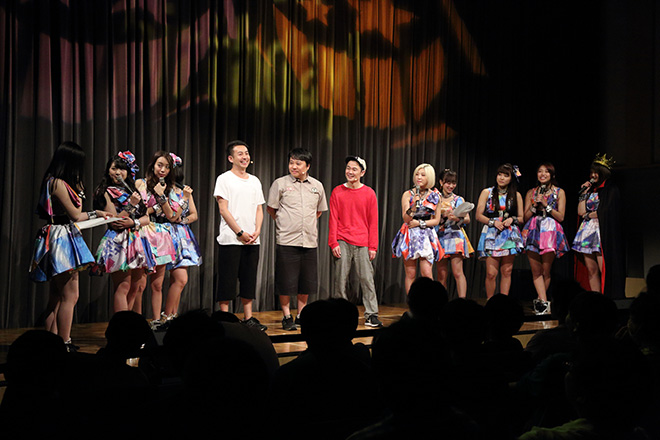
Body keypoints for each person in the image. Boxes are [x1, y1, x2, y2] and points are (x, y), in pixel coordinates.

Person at [29, 141, 111, 351]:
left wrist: (94, 211)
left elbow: (77, 214)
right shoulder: (57, 183)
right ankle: (64, 342)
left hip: (60, 234)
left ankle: (53, 343)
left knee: (56, 297)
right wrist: (84, 198)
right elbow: (76, 214)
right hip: (61, 237)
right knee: (70, 295)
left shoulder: (54, 181)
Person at [267, 148, 328, 331]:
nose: (293, 166)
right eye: (291, 162)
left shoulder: (317, 186)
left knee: (306, 282)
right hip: (287, 240)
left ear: (307, 166)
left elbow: (318, 211)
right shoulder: (280, 183)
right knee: (286, 282)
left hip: (309, 240)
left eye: (298, 163)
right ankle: (287, 316)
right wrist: (285, 222)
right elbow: (271, 209)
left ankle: (301, 315)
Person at [214, 140, 267, 331]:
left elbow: (259, 209)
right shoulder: (224, 179)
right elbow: (223, 209)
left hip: (252, 239)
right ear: (231, 158)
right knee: (227, 280)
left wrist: (257, 230)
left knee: (248, 280)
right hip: (231, 239)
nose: (245, 157)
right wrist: (239, 232)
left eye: (246, 153)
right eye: (240, 154)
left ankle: (248, 317)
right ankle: (225, 318)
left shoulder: (255, 181)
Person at [328, 156, 382, 327]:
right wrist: (333, 242)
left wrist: (373, 246)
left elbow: (373, 222)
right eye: (348, 168)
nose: (350, 172)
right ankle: (339, 314)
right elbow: (333, 219)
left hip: (362, 241)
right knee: (340, 279)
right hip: (342, 239)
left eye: (354, 169)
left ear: (362, 173)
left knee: (367, 279)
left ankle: (371, 314)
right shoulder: (337, 191)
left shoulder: (369, 193)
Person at [93, 151, 151, 313]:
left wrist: (134, 222)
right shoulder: (105, 191)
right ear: (108, 170)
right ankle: (121, 325)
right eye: (114, 168)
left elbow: (146, 218)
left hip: (136, 239)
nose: (118, 172)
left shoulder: (132, 190)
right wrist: (131, 205)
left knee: (136, 286)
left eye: (122, 169)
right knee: (123, 285)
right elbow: (115, 221)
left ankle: (128, 322)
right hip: (118, 241)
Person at [572, 154, 625, 298]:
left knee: (604, 268)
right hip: (587, 232)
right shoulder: (590, 190)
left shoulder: (610, 189)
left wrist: (589, 215)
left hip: (602, 231)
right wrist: (584, 193)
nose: (593, 175)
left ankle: (607, 297)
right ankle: (596, 299)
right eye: (592, 172)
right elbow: (580, 211)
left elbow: (605, 211)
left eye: (596, 172)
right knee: (591, 269)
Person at [521, 163, 570, 315]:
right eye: (540, 171)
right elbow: (524, 217)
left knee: (545, 270)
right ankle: (543, 302)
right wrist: (534, 205)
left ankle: (541, 302)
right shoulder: (531, 192)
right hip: (533, 228)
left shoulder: (559, 192)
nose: (543, 174)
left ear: (552, 175)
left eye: (546, 172)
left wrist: (546, 206)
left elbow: (561, 216)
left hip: (550, 230)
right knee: (536, 271)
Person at [134, 151, 177, 323]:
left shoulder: (168, 188)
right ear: (153, 166)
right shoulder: (141, 183)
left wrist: (161, 195)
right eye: (160, 165)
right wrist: (154, 207)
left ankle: (157, 321)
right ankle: (137, 322)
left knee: (158, 284)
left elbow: (171, 215)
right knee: (140, 285)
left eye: (167, 167)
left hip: (161, 234)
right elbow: (140, 209)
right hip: (143, 232)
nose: (163, 170)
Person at [161, 153, 202, 321]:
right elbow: (172, 214)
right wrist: (178, 214)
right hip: (166, 233)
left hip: (182, 235)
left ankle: (172, 316)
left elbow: (194, 214)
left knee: (178, 280)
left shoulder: (184, 190)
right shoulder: (163, 190)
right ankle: (166, 316)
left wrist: (183, 220)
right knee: (180, 279)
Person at [391, 163, 443, 294]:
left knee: (427, 273)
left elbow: (436, 220)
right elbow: (406, 218)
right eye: (417, 174)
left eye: (423, 175)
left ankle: (429, 303)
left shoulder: (435, 196)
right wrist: (413, 205)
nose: (419, 177)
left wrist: (420, 223)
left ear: (429, 177)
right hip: (410, 234)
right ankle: (411, 302)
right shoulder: (407, 194)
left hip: (426, 235)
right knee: (410, 273)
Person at [475, 163, 524, 298]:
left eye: (506, 175)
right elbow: (478, 215)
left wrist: (512, 220)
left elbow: (521, 218)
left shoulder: (516, 195)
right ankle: (490, 301)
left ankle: (503, 303)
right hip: (492, 232)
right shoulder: (487, 192)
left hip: (509, 234)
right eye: (499, 174)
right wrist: (493, 222)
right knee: (491, 273)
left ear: (511, 178)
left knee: (507, 271)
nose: (501, 178)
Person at [435, 169, 473, 298]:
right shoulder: (435, 198)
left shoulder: (458, 199)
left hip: (455, 235)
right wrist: (442, 216)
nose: (451, 186)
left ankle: (462, 301)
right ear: (441, 182)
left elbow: (467, 219)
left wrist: (456, 218)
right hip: (440, 235)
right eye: (448, 182)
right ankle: (441, 302)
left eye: (453, 183)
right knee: (441, 274)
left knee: (458, 272)